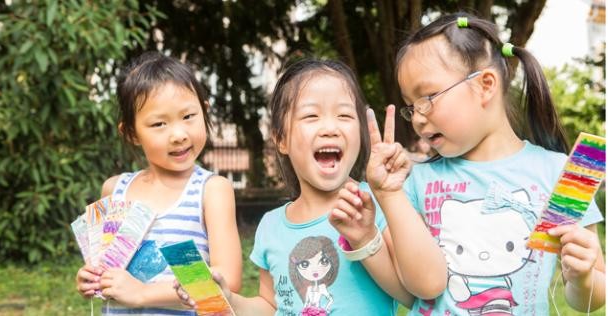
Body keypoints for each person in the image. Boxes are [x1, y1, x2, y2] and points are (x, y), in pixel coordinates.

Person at [177, 58, 447, 315]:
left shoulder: (377, 202)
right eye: (311, 116)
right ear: (281, 139)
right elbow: (269, 307)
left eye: (344, 115)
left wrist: (365, 239)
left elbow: (412, 296)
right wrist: (228, 299)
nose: (330, 127)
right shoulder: (271, 226)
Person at [394, 12, 605, 315]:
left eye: (427, 97)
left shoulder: (560, 173)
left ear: (486, 85)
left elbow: (591, 299)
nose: (417, 116)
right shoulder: (416, 181)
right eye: (411, 106)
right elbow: (408, 289)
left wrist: (583, 278)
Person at [74, 52, 242, 315]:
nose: (178, 135)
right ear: (131, 133)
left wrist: (142, 293)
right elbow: (108, 271)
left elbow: (226, 282)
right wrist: (93, 279)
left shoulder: (211, 191)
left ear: (204, 111)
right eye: (159, 124)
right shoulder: (115, 190)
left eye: (188, 117)